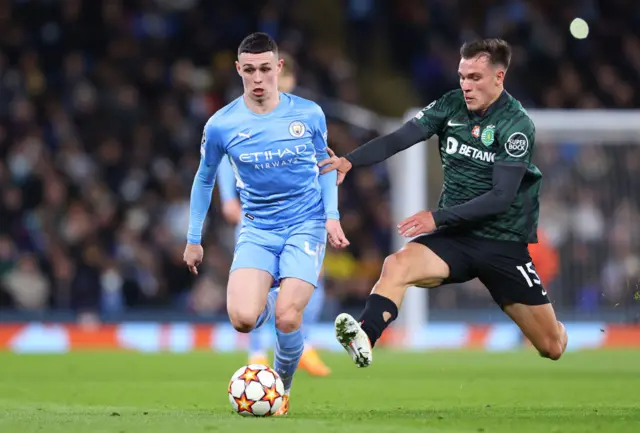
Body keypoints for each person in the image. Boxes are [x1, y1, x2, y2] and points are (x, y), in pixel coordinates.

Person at [318, 38, 568, 368]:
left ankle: (561, 329)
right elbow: (400, 137)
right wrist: (351, 160)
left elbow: (501, 197)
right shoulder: (450, 105)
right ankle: (366, 335)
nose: (465, 85)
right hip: (456, 238)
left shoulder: (516, 124)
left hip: (502, 243)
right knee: (397, 265)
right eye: (462, 76)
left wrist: (436, 217)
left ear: (498, 77)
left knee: (551, 346)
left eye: (475, 77)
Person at [184, 32, 349, 415]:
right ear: (238, 70)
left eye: (265, 69)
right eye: (249, 71)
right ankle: (273, 297)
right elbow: (204, 178)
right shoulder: (221, 125)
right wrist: (193, 238)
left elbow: (326, 166)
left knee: (289, 317)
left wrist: (331, 216)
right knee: (243, 319)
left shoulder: (308, 114)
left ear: (278, 68)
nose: (258, 79)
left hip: (305, 224)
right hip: (258, 227)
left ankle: (280, 392)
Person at [216, 52, 332, 377]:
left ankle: (297, 343)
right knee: (260, 284)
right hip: (259, 216)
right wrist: (228, 199)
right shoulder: (245, 116)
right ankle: (257, 352)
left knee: (306, 284)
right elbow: (226, 158)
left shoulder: (300, 117)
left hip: (301, 216)